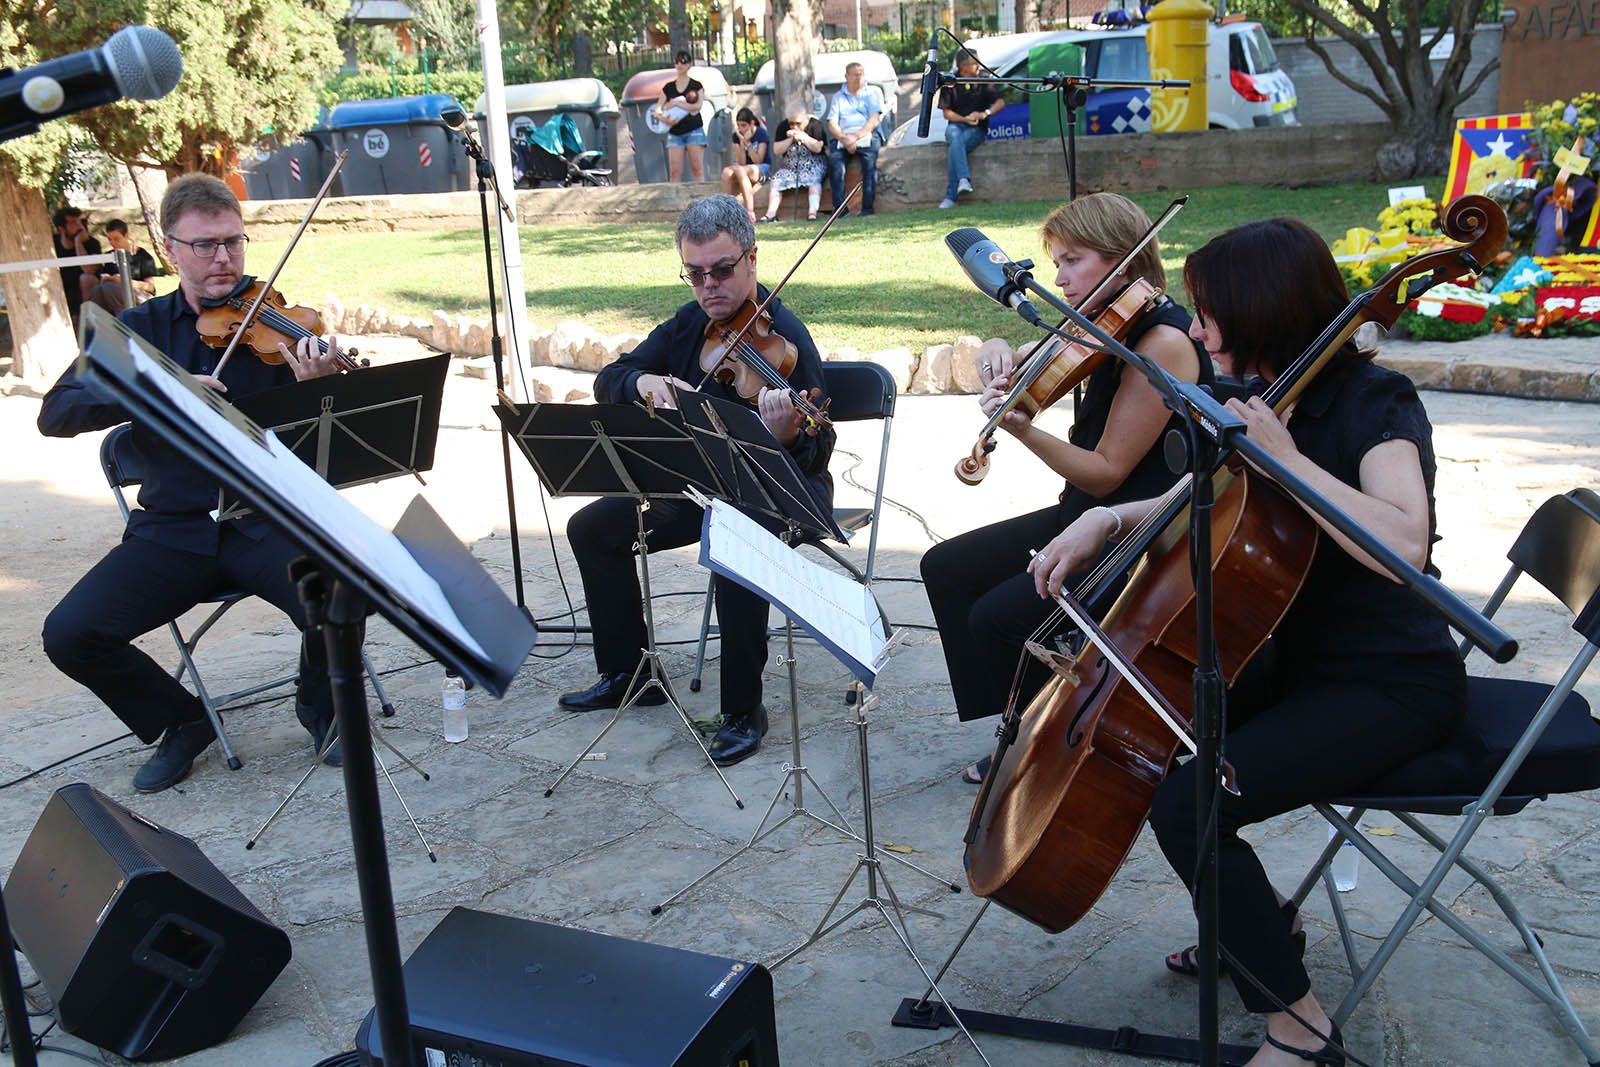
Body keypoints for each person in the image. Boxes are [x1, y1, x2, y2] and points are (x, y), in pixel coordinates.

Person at [1029, 217, 1465, 1067]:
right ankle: (1262, 924)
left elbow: (1407, 543)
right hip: (1288, 656)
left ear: (1262, 308)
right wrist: (1106, 518)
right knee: (1152, 731)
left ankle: (1298, 1023)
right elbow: (1207, 490)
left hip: (1390, 683)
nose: (1194, 330)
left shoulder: (1376, 404)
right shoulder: (1257, 395)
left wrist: (1286, 456)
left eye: (1210, 312)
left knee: (1188, 803)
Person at [39, 174, 353, 794]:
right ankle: (181, 722)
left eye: (233, 243)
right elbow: (56, 414)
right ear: (170, 246)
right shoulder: (138, 330)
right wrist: (153, 389)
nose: (223, 259)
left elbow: (330, 444)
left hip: (267, 523)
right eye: (205, 245)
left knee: (344, 588)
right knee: (70, 634)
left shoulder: (279, 325)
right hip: (173, 530)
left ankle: (322, 709)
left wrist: (319, 386)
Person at [919, 192, 1208, 784]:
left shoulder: (1163, 344)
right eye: (1055, 262)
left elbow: (1106, 470)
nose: (1059, 278)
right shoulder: (1102, 325)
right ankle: (1016, 721)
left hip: (1132, 533)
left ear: (1121, 259)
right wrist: (998, 351)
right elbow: (1024, 350)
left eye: (1072, 260)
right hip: (1080, 515)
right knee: (945, 567)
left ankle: (1039, 739)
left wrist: (1023, 431)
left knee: (998, 618)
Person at [560, 195, 834, 767]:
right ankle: (630, 672)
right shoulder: (689, 326)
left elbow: (817, 450)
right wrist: (642, 385)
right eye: (696, 273)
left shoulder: (785, 340)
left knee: (737, 536)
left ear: (753, 260)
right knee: (593, 527)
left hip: (775, 493)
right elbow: (612, 377)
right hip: (698, 486)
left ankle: (743, 709)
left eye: (723, 270)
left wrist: (785, 435)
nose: (710, 286)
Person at [937, 49, 1005, 210]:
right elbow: (947, 113)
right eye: (974, 63)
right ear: (963, 66)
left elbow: (1000, 103)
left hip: (977, 129)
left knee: (955, 146)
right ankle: (963, 179)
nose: (977, 66)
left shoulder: (983, 79)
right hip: (957, 126)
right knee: (954, 135)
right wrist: (964, 118)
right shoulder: (950, 81)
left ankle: (951, 196)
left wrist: (984, 114)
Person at [825, 62, 883, 217]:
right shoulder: (838, 97)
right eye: (855, 74)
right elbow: (832, 123)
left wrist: (856, 137)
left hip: (865, 135)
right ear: (846, 76)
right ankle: (840, 209)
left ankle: (867, 209)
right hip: (844, 137)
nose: (859, 77)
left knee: (869, 164)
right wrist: (845, 139)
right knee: (834, 163)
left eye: (861, 74)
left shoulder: (870, 94)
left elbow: (874, 119)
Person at [759, 111, 827, 223]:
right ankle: (770, 214)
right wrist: (791, 139)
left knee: (814, 179)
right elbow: (777, 149)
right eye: (791, 123)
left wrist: (804, 137)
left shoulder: (815, 125)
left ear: (805, 119)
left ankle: (812, 213)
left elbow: (818, 148)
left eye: (798, 123)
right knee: (776, 180)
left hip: (813, 164)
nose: (794, 126)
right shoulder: (783, 126)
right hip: (790, 167)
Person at [87, 218, 160, 313]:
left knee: (109, 288)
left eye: (116, 239)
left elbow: (150, 287)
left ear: (126, 236)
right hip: (113, 293)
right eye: (110, 239)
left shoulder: (141, 255)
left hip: (139, 295)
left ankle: (125, 321)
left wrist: (125, 281)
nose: (112, 243)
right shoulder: (110, 257)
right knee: (97, 290)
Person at [656, 50, 706, 183]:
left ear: (689, 64)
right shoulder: (668, 87)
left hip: (694, 130)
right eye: (677, 61)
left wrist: (676, 103)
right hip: (675, 132)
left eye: (683, 61)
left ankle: (702, 201)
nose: (680, 64)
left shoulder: (696, 85)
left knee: (697, 169)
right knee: (674, 172)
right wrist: (665, 119)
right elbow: (658, 109)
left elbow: (697, 106)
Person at [52, 206, 102, 327]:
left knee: (87, 278)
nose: (80, 226)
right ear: (61, 229)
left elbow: (89, 270)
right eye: (73, 223)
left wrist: (78, 243)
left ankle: (87, 322)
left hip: (88, 295)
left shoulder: (92, 243)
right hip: (61, 293)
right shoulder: (51, 244)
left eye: (80, 221)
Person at [720, 107, 771, 221]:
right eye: (739, 126)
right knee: (726, 172)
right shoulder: (736, 136)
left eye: (744, 125)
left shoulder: (761, 133)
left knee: (740, 170)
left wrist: (748, 143)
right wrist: (742, 143)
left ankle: (749, 212)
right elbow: (742, 162)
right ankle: (726, 211)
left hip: (763, 168)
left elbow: (758, 159)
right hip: (744, 170)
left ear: (751, 123)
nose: (741, 129)